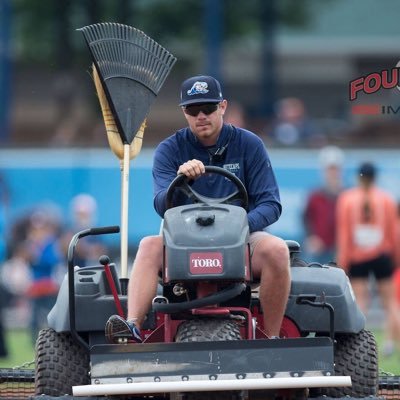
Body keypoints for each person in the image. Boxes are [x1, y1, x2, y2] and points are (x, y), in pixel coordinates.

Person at [105, 75, 291, 342]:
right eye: (193, 110)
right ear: (184, 112)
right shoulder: (169, 150)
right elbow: (160, 204)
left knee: (277, 250)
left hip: (241, 238)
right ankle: (132, 326)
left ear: (223, 107)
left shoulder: (250, 145)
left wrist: (235, 229)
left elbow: (270, 204)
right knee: (148, 246)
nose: (201, 115)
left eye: (208, 108)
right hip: (184, 239)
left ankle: (272, 338)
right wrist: (181, 182)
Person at [336, 162, 400, 355]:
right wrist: (395, 257)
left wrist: (343, 261)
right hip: (382, 255)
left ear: (359, 177)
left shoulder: (347, 199)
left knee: (360, 301)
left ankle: (359, 344)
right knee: (390, 302)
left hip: (358, 257)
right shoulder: (386, 199)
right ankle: (391, 343)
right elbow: (393, 232)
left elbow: (344, 233)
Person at [302, 146, 344, 264]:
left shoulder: (347, 196)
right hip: (320, 249)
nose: (333, 173)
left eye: (335, 169)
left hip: (340, 248)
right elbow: (306, 218)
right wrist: (311, 237)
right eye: (330, 169)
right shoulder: (314, 196)